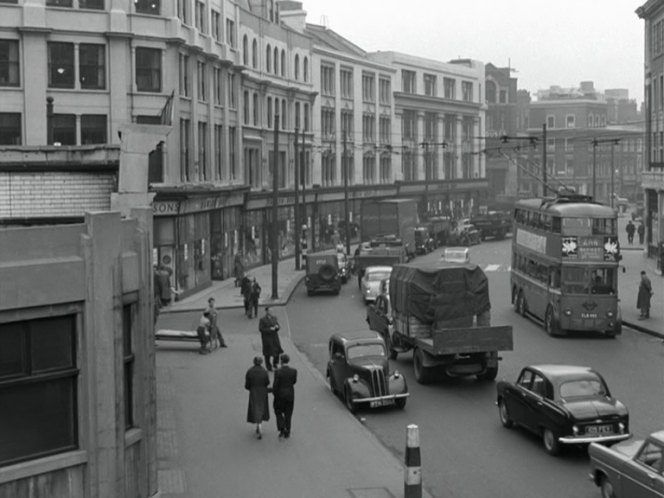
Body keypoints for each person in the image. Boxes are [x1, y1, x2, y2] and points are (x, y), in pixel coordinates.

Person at [272, 354, 297, 439]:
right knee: (288, 414)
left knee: (278, 411)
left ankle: (282, 428)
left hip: (280, 396)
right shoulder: (294, 371)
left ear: (281, 361)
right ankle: (288, 431)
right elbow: (294, 381)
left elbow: (275, 385)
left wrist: (274, 393)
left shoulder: (278, 372)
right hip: (290, 395)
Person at [245, 356, 270, 439]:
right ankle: (259, 424)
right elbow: (267, 382)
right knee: (261, 407)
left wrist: (250, 388)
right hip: (262, 391)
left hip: (254, 391)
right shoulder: (264, 371)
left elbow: (247, 384)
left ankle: (258, 424)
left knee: (255, 407)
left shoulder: (250, 371)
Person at [258, 307, 283, 371]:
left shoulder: (274, 318)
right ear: (266, 311)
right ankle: (268, 366)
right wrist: (269, 329)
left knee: (277, 351)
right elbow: (261, 329)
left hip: (274, 337)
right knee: (268, 353)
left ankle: (275, 364)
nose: (271, 312)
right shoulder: (262, 320)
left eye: (272, 310)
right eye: (270, 310)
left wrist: (277, 327)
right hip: (267, 339)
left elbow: (277, 325)